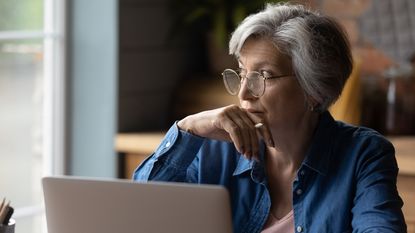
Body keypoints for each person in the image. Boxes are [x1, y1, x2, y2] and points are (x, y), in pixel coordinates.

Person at [133, 3, 406, 233]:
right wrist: (187, 127)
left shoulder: (363, 154)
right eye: (241, 73)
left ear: (313, 90)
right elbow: (139, 214)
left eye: (263, 76)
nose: (243, 93)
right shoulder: (214, 148)